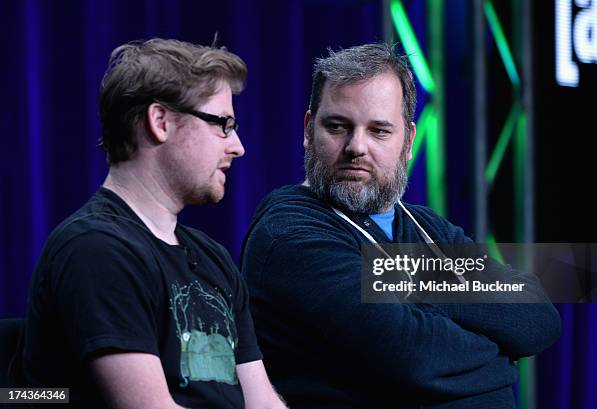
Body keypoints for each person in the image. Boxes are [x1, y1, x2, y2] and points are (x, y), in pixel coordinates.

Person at [240, 43, 561, 408]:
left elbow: (537, 316)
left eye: (378, 131)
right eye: (337, 126)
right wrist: (502, 363)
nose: (356, 147)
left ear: (408, 141)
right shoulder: (290, 234)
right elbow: (413, 355)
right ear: (307, 129)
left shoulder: (425, 226)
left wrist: (412, 290)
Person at [12, 38, 286, 409]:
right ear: (161, 122)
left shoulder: (212, 259)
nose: (237, 146)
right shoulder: (96, 249)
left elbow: (262, 403)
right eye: (223, 124)